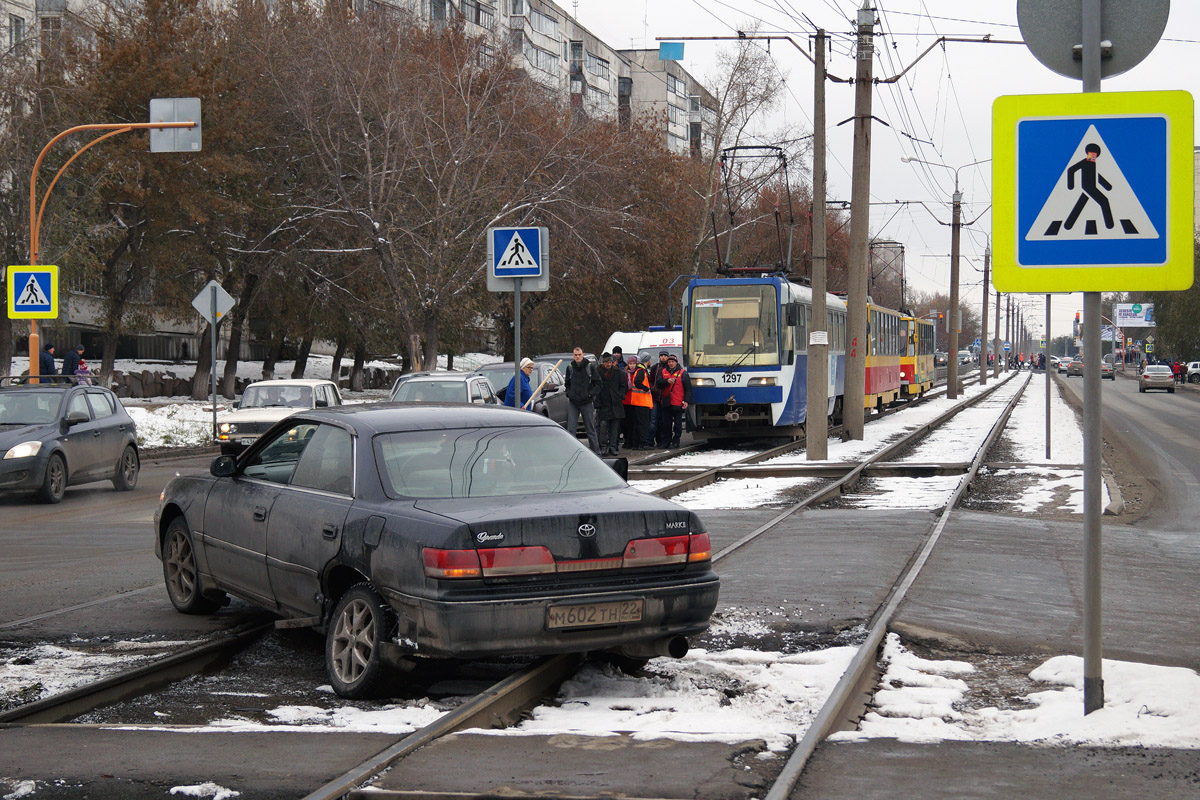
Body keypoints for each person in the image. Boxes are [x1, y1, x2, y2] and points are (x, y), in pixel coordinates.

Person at [563, 347, 601, 454]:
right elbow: (567, 383)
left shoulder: (590, 367)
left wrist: (590, 394)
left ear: (583, 354)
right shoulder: (570, 367)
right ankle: (570, 452)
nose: (577, 357)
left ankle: (596, 452)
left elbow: (598, 383)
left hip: (586, 402)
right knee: (571, 429)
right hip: (573, 402)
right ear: (573, 355)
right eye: (575, 355)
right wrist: (569, 393)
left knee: (590, 429)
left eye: (579, 354)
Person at [655, 354, 691, 449]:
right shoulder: (663, 372)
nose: (671, 363)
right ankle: (666, 441)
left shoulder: (683, 373)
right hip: (666, 402)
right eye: (669, 362)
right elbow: (658, 384)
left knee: (678, 425)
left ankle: (676, 441)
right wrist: (666, 381)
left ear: (676, 362)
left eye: (672, 362)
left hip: (678, 402)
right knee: (666, 424)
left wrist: (686, 401)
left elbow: (688, 389)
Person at [594, 352, 626, 455]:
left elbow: (624, 386)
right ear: (603, 362)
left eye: (610, 362)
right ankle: (603, 446)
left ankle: (613, 447)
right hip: (603, 403)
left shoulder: (618, 373)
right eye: (606, 362)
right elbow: (595, 387)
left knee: (614, 427)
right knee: (602, 426)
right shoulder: (597, 373)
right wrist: (597, 401)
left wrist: (620, 395)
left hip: (616, 403)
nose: (608, 364)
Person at [626, 354, 653, 450]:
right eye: (650, 360)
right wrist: (645, 388)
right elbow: (638, 382)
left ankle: (636, 443)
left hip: (638, 401)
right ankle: (643, 443)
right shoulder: (642, 371)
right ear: (648, 360)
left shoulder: (638, 370)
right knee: (643, 423)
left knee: (637, 423)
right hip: (642, 401)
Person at [648, 350, 670, 446]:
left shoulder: (670, 368)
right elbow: (651, 380)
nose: (663, 357)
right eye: (661, 356)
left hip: (666, 398)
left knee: (664, 421)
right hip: (656, 397)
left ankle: (661, 441)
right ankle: (650, 441)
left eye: (665, 356)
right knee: (653, 420)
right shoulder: (655, 367)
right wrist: (653, 388)